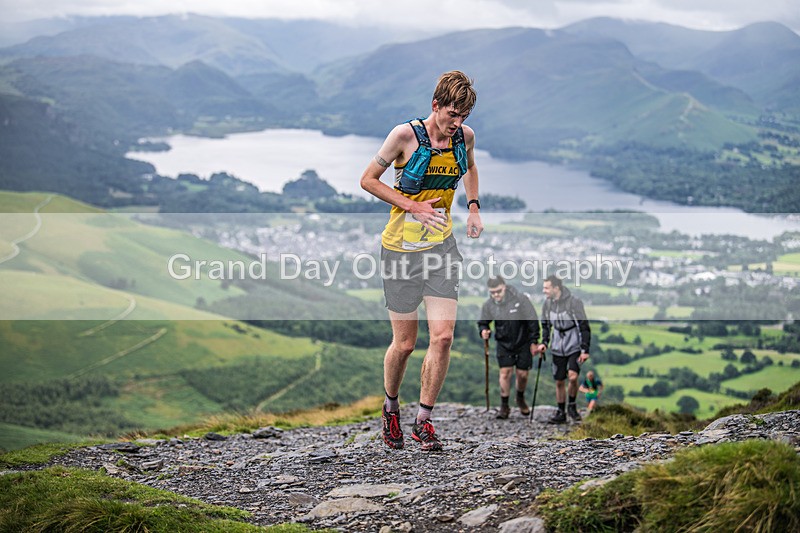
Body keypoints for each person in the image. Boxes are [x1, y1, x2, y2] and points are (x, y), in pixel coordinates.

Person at [360, 70, 483, 451]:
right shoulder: (404, 136)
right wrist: (412, 205)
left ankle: (424, 421)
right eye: (451, 114)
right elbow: (368, 179)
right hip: (400, 252)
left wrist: (474, 207)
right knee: (406, 343)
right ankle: (391, 407)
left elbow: (471, 168)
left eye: (463, 116)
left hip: (441, 248)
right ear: (435, 106)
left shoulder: (464, 138)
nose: (457, 123)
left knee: (443, 337)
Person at [477, 276, 542, 419]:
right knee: (505, 373)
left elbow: (532, 320)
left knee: (522, 375)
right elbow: (483, 322)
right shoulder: (489, 305)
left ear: (504, 287)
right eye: (492, 292)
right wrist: (484, 330)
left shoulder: (520, 299)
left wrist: (534, 341)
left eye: (498, 291)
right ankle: (504, 406)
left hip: (523, 342)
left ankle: (520, 398)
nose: (496, 295)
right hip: (503, 343)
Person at [540, 275, 591, 423]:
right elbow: (545, 325)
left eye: (547, 287)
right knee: (559, 381)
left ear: (556, 288)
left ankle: (572, 406)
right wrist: (544, 342)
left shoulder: (574, 302)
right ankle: (561, 411)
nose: (544, 291)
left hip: (573, 343)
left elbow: (584, 326)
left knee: (573, 377)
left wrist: (585, 349)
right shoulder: (547, 304)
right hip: (557, 345)